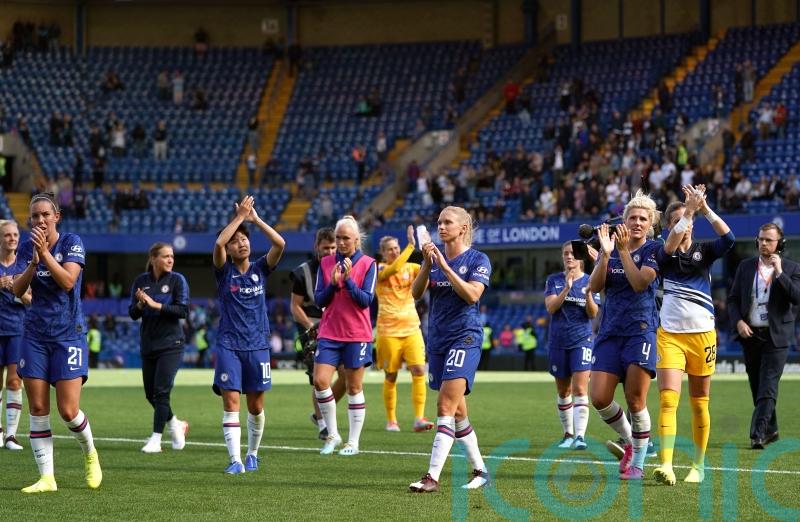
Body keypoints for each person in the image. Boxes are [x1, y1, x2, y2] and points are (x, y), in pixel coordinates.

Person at [12, 193, 102, 492]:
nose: (39, 220)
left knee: (68, 410)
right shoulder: (27, 249)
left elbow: (67, 282)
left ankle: (90, 452)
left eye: (45, 215)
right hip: (35, 335)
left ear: (56, 217)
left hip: (68, 334)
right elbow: (17, 289)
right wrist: (32, 263)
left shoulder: (71, 242)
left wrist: (45, 255)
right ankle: (46, 478)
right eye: (35, 217)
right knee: (37, 407)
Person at [652, 185, 735, 485]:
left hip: (702, 336)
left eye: (685, 220)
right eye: (674, 221)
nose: (680, 225)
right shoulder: (664, 254)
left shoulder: (705, 251)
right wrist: (688, 210)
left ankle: (698, 466)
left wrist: (704, 209)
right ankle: (666, 465)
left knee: (699, 402)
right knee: (667, 400)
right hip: (670, 335)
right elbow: (671, 246)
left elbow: (729, 239)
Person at [408, 206, 492, 493]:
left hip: (464, 338)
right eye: (439, 222)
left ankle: (432, 477)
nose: (441, 227)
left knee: (444, 406)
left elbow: (472, 295)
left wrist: (445, 268)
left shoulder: (478, 259)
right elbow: (415, 294)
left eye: (447, 222)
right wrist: (428, 265)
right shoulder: (434, 259)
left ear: (463, 228)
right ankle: (481, 470)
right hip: (439, 339)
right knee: (457, 414)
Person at [587, 190, 661, 481]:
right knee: (599, 397)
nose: (637, 222)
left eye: (643, 218)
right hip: (610, 332)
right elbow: (594, 286)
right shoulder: (611, 248)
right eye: (632, 217)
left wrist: (623, 251)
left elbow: (640, 283)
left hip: (640, 332)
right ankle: (632, 443)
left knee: (635, 399)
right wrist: (605, 255)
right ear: (624, 221)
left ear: (651, 223)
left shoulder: (653, 250)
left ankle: (638, 464)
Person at [212, 195, 285, 473]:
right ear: (230, 249)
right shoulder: (223, 272)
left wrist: (255, 220)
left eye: (244, 238)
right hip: (229, 344)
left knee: (255, 406)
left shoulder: (260, 269)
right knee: (231, 402)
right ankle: (235, 461)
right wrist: (240, 217)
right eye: (236, 240)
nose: (241, 242)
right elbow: (218, 243)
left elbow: (280, 244)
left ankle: (252, 453)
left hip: (257, 346)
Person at [727, 222, 800, 449]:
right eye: (760, 239)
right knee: (757, 387)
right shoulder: (746, 267)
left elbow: (797, 297)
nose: (763, 243)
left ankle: (757, 434)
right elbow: (732, 300)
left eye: (769, 240)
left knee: (768, 386)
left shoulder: (791, 268)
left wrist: (779, 273)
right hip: (751, 336)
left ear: (780, 244)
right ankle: (772, 429)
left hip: (776, 337)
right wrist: (738, 321)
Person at [313, 216, 376, 456]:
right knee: (320, 381)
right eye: (338, 238)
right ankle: (333, 433)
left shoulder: (369, 263)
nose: (340, 242)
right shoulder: (326, 262)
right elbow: (319, 300)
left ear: (357, 240)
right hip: (329, 332)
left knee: (353, 386)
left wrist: (348, 282)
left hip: (356, 334)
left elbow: (366, 301)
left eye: (345, 238)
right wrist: (332, 284)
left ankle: (353, 441)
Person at [129, 242, 190, 454]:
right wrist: (140, 305)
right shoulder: (141, 281)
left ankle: (156, 440)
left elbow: (182, 310)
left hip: (171, 344)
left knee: (161, 392)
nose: (170, 260)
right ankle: (175, 423)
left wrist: (156, 305)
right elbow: (133, 313)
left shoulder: (177, 280)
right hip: (149, 343)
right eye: (165, 256)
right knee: (150, 394)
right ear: (153, 258)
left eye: (172, 256)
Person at [289, 227, 346, 440]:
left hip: (337, 327)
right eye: (325, 248)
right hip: (311, 327)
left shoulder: (344, 267)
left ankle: (319, 412)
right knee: (318, 378)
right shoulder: (302, 272)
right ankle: (323, 424)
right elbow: (295, 306)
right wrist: (311, 327)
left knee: (347, 377)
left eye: (333, 247)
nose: (330, 252)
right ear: (316, 247)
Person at [375, 226, 433, 433]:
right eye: (390, 249)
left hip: (411, 329)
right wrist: (411, 246)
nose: (395, 251)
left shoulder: (412, 268)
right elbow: (393, 269)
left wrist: (428, 256)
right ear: (383, 253)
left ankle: (419, 418)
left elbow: (429, 274)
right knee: (391, 375)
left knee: (419, 370)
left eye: (396, 247)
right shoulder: (379, 269)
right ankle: (391, 420)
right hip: (388, 332)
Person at [544, 241, 600, 451]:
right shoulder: (554, 280)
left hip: (582, 340)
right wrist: (566, 289)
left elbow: (593, 313)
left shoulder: (590, 281)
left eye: (572, 254)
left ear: (581, 258)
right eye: (566, 254)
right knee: (563, 390)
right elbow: (551, 307)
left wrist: (587, 294)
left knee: (579, 388)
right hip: (558, 341)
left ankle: (580, 436)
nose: (569, 257)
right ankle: (567, 433)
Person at [0, 220, 30, 450]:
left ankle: (11, 435)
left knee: (14, 381)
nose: (12, 238)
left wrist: (15, 288)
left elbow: (32, 299)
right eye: (7, 235)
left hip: (17, 329)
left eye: (15, 235)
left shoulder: (24, 265)